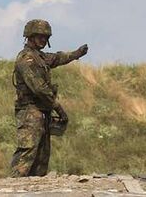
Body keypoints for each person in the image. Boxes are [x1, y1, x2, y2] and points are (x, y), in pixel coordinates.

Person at [9, 19, 88, 177]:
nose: (43, 40)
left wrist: (76, 54)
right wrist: (58, 108)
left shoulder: (40, 57)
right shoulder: (27, 59)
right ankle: (15, 185)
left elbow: (57, 58)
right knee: (28, 150)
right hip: (30, 112)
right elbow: (40, 89)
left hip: (41, 111)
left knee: (42, 156)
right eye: (40, 36)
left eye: (46, 37)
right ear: (30, 36)